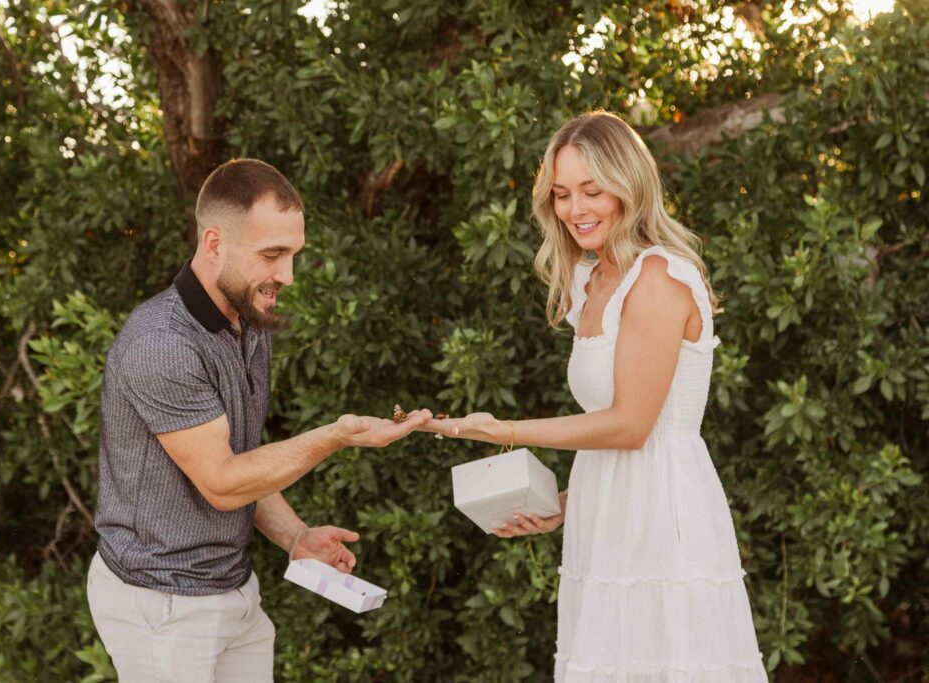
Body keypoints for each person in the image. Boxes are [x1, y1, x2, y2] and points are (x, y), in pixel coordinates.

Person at [423, 112, 767, 681]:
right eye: (561, 194)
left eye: (592, 190)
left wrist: (504, 430)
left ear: (628, 187)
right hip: (605, 521)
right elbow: (612, 438)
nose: (576, 209)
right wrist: (561, 504)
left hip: (664, 518)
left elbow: (631, 426)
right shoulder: (592, 278)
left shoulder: (657, 275)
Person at [87, 158, 431, 682]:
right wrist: (336, 436)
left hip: (235, 591)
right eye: (272, 255)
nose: (287, 276)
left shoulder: (249, 321)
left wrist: (296, 537)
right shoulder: (161, 345)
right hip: (163, 606)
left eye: (292, 255)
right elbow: (224, 484)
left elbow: (244, 458)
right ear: (214, 243)